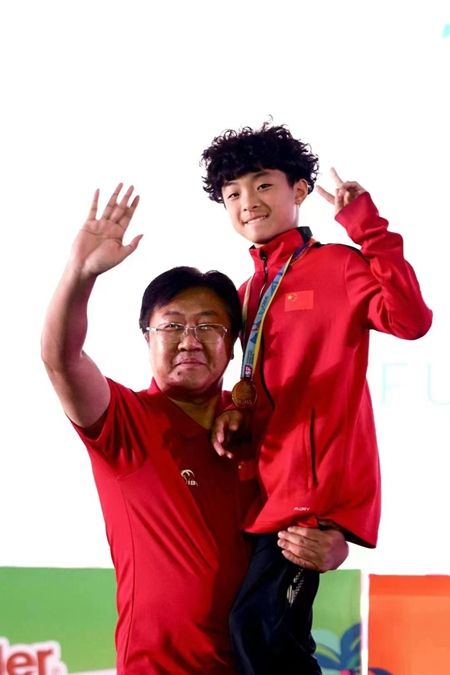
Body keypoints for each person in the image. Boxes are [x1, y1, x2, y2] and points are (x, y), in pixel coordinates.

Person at [40, 184, 349, 675]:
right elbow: (62, 359)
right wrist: (80, 274)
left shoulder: (266, 427)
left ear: (234, 344)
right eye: (172, 326)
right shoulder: (124, 421)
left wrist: (333, 546)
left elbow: (320, 509)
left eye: (208, 327)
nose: (189, 341)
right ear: (147, 337)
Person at [201, 123, 433, 674]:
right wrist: (231, 416)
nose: (248, 201)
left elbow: (411, 320)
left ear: (300, 189)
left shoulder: (339, 266)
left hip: (312, 499)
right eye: (233, 193)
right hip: (266, 495)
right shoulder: (247, 292)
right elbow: (257, 389)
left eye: (263, 185)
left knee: (258, 630)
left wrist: (368, 227)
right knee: (262, 637)